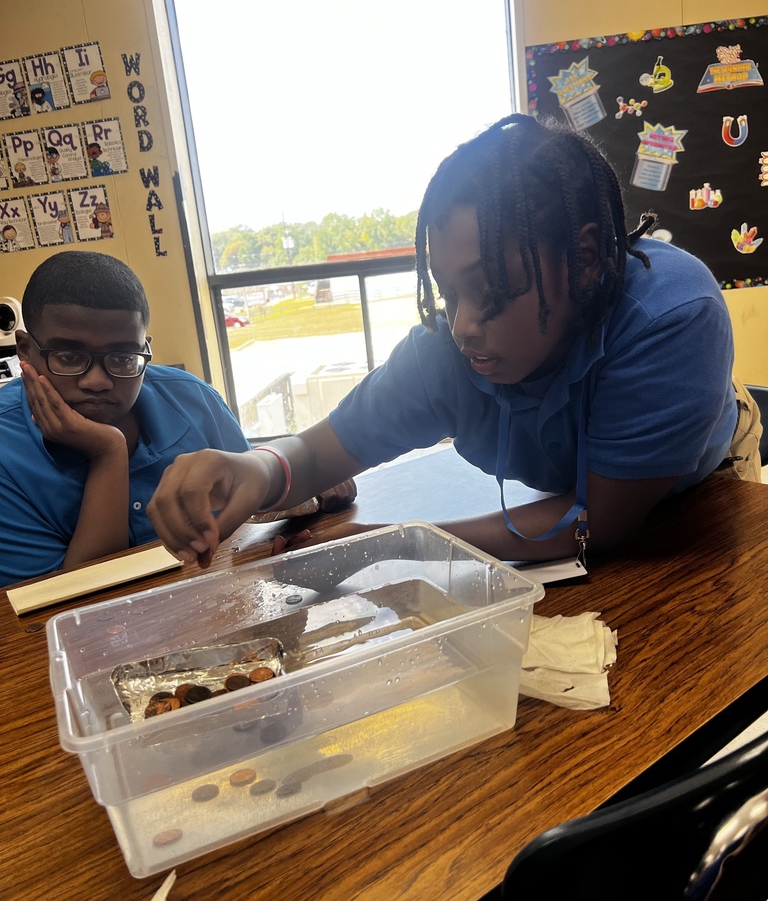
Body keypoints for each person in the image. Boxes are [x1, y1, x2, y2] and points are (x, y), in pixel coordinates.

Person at [147, 114, 760, 570]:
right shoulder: (447, 355)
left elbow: (597, 524)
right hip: (581, 512)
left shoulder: (672, 318)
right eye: (447, 292)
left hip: (705, 495)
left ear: (589, 258)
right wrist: (252, 469)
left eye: (492, 292)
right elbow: (313, 457)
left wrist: (394, 541)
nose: (464, 324)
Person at [0, 250, 254, 586]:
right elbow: (57, 611)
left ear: (144, 347)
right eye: (68, 356)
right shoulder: (6, 450)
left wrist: (308, 499)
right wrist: (108, 452)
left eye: (122, 357)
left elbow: (254, 511)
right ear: (24, 350)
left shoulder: (193, 398)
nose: (96, 381)